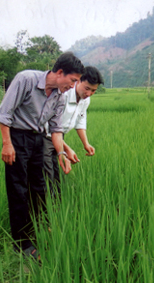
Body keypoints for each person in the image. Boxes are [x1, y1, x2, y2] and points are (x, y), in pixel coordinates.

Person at [0, 52, 85, 261]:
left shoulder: (59, 96)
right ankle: (22, 243)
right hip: (17, 137)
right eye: (72, 80)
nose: (72, 86)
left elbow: (55, 129)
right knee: (18, 189)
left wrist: (61, 152)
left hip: (38, 140)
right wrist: (7, 144)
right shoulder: (26, 79)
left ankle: (39, 228)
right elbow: (5, 112)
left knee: (40, 187)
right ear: (60, 72)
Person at [43, 66, 104, 195]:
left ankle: (56, 209)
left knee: (56, 176)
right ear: (78, 81)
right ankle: (44, 210)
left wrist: (86, 144)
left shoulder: (85, 100)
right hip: (46, 137)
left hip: (59, 137)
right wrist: (66, 148)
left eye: (93, 90)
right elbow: (48, 126)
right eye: (87, 88)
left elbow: (80, 121)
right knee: (47, 176)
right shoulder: (63, 95)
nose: (89, 93)